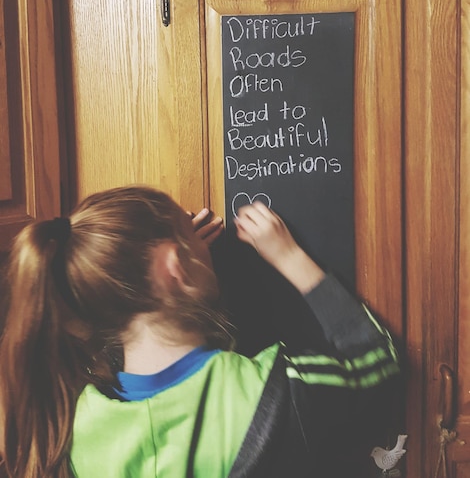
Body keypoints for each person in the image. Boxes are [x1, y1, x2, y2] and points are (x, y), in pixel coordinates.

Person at [0, 185, 400, 478]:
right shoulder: (285, 388)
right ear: (176, 264)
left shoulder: (76, 427)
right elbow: (376, 358)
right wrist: (289, 256)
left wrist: (179, 262)